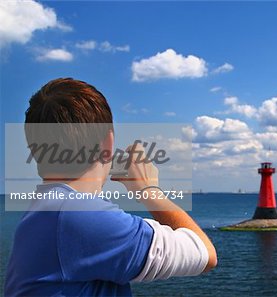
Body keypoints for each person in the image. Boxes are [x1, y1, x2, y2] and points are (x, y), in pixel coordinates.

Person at [4, 78, 217, 296]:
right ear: (108, 143)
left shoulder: (45, 212)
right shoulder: (79, 217)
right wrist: (149, 191)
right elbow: (205, 254)